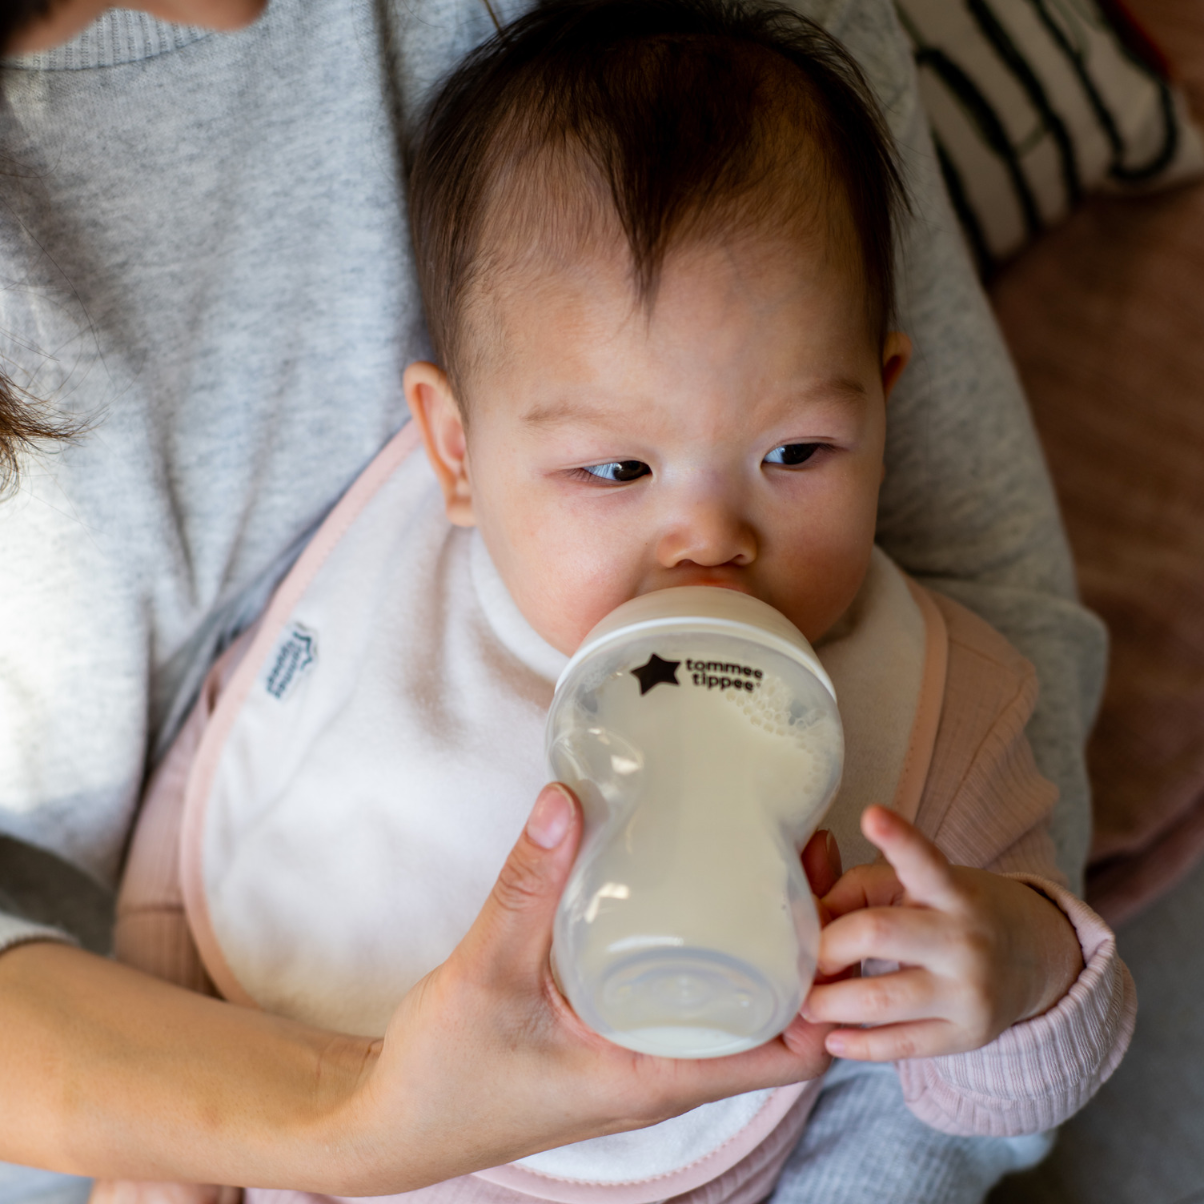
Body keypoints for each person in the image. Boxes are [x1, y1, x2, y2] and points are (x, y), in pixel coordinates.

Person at [0, 0, 1110, 1199]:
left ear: (884, 400)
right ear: (456, 454)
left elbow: (1004, 1087)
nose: (711, 537)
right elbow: (209, 819)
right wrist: (175, 1142)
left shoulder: (945, 708)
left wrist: (1020, 968)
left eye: (796, 453)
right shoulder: (400, 604)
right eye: (617, 470)